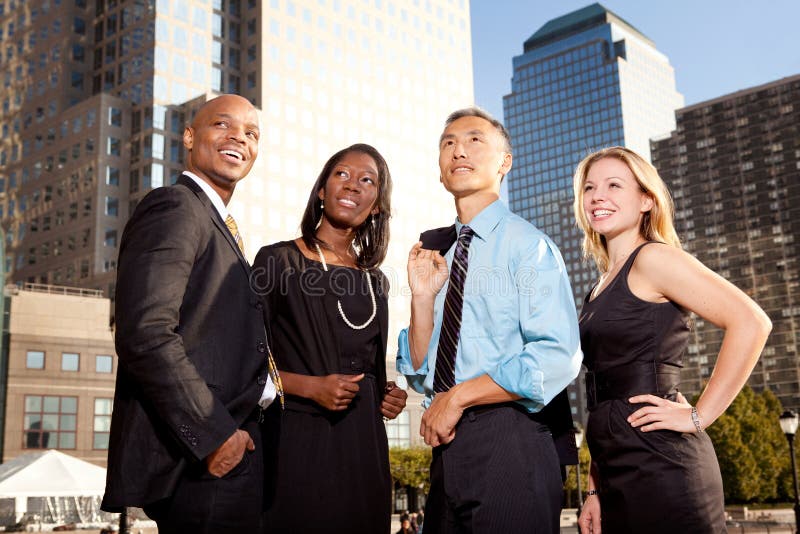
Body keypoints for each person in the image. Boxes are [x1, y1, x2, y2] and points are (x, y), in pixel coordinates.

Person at [397, 107, 582, 533]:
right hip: (448, 447)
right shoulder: (437, 254)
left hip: (512, 438)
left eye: (474, 140)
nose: (458, 150)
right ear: (441, 170)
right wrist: (422, 299)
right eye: (448, 143)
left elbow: (557, 354)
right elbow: (423, 376)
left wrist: (459, 397)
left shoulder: (528, 245)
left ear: (505, 162)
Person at [101, 94, 278, 533]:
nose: (239, 136)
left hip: (236, 449)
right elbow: (145, 333)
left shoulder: (218, 224)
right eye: (223, 124)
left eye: (251, 133)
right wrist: (215, 434)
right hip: (207, 459)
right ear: (189, 136)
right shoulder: (175, 206)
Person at [573, 146, 772, 534]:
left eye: (615, 185)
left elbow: (751, 322)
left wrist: (700, 415)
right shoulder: (597, 287)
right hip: (615, 470)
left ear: (646, 199)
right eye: (590, 187)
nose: (598, 196)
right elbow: (603, 396)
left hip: (662, 463)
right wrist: (594, 491)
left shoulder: (654, 259)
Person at [251, 143, 407, 533]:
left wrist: (385, 395)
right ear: (322, 190)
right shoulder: (276, 260)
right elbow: (241, 361)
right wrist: (309, 386)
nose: (352, 185)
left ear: (376, 206)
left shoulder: (378, 282)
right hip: (297, 440)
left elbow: (366, 364)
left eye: (367, 180)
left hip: (364, 446)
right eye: (342, 174)